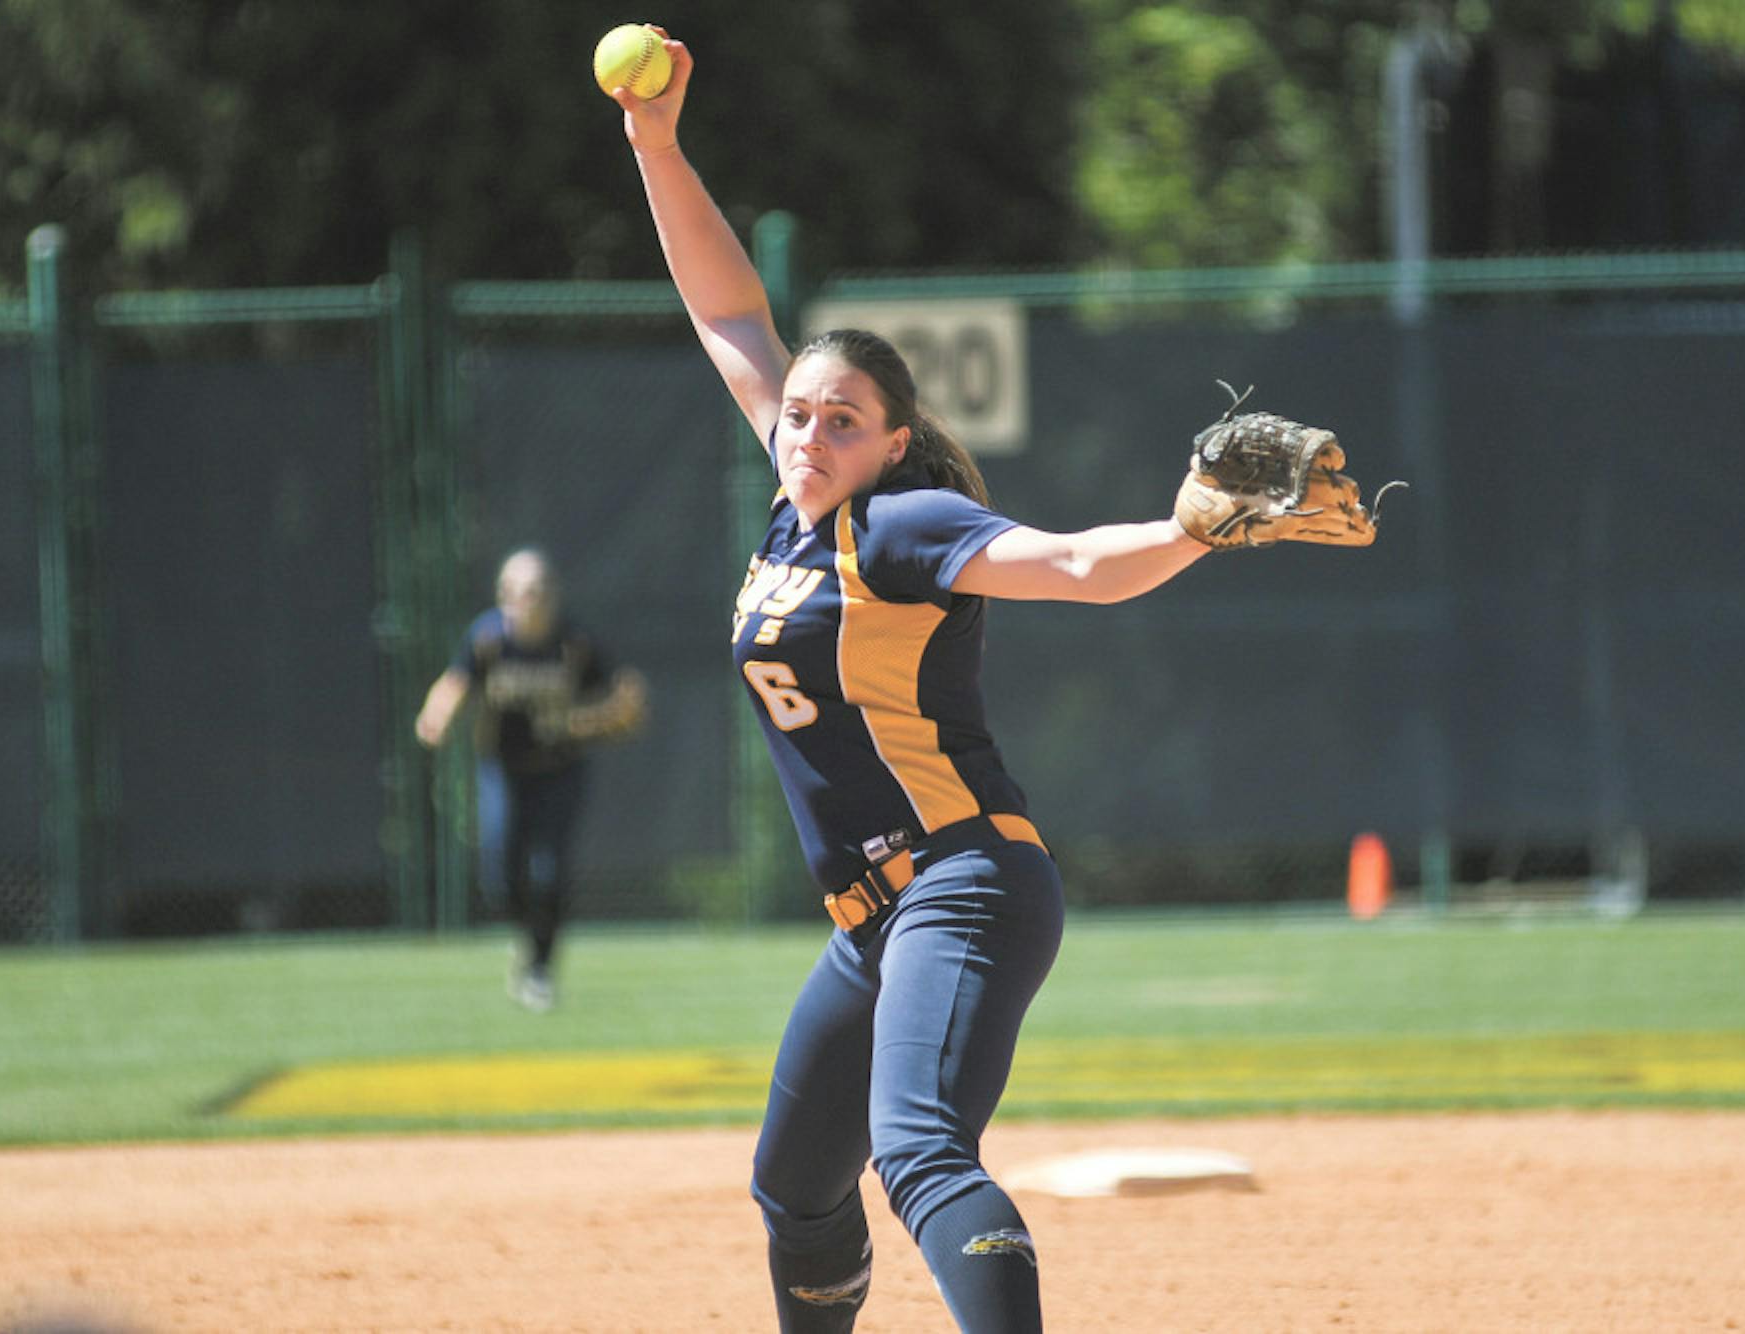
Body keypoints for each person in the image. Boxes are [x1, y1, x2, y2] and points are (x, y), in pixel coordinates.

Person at [612, 31, 1373, 1332]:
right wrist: (656, 145)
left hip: (961, 885)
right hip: (872, 923)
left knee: (916, 1153)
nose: (807, 429)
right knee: (795, 1179)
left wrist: (1190, 530)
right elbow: (731, 315)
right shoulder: (799, 502)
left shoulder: (899, 526)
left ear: (893, 442)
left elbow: (1074, 563)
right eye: (799, 411)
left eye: (842, 419)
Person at [414, 547, 646, 1013]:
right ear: (503, 596)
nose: (529, 600)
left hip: (560, 772)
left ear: (553, 596)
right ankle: (525, 938)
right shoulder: (489, 640)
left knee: (549, 873)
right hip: (503, 769)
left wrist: (589, 720)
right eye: (519, 592)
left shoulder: (574, 642)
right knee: (500, 874)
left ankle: (538, 967)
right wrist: (436, 716)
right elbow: (457, 682)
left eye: (537, 591)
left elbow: (627, 698)